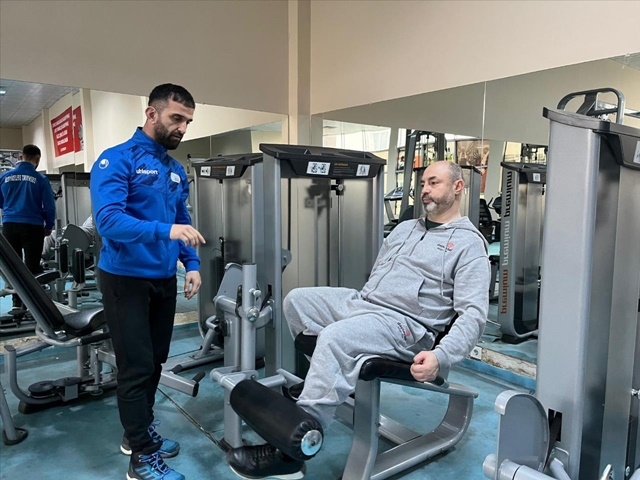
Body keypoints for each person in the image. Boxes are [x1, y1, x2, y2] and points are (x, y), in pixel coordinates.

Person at [227, 160, 491, 479]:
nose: (424, 190)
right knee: (296, 301)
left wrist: (442, 356)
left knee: (336, 337)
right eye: (422, 183)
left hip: (406, 325)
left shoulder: (469, 244)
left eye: (433, 183)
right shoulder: (406, 228)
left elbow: (473, 314)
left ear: (458, 187)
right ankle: (331, 381)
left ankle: (291, 452)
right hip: (364, 304)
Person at [90, 83, 205, 480]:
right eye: (177, 118)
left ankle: (137, 432)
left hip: (163, 279)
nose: (183, 128)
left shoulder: (175, 170)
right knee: (135, 366)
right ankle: (140, 458)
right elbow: (108, 221)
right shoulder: (116, 160)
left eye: (188, 122)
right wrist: (165, 231)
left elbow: (182, 219)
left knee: (154, 360)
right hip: (125, 279)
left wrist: (191, 263)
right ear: (151, 114)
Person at [0, 144, 56, 312]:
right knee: (32, 266)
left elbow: (1, 202)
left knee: (14, 266)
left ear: (21, 157)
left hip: (9, 225)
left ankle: (17, 302)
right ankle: (31, 306)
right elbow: (49, 206)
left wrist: (11, 208)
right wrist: (49, 225)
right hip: (33, 226)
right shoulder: (40, 179)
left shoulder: (5, 177)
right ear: (37, 159)